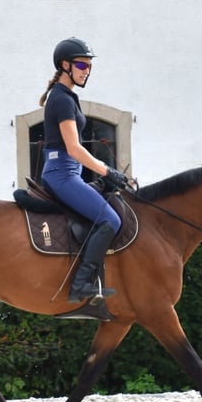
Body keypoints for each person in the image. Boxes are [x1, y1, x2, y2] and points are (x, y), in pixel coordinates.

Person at [38, 37, 129, 304]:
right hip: (62, 174)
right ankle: (80, 285)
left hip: (70, 173)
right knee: (111, 220)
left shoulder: (67, 96)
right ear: (65, 65)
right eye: (80, 64)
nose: (86, 70)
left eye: (89, 66)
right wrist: (106, 171)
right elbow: (74, 148)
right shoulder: (63, 99)